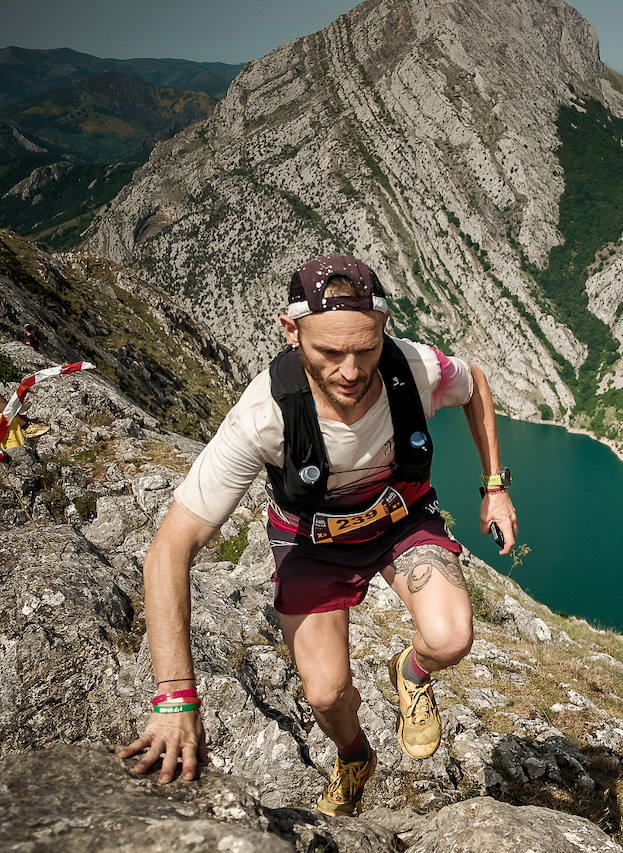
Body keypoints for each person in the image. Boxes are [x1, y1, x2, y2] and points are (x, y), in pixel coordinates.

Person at [118, 254, 517, 816]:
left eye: (366, 349)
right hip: (312, 543)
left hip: (401, 518)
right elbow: (169, 549)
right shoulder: (263, 415)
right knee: (326, 693)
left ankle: (410, 673)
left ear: (384, 327)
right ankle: (355, 756)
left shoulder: (413, 367)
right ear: (291, 330)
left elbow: (473, 383)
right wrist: (176, 695)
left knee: (450, 638)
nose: (350, 371)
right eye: (329, 352)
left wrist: (494, 486)